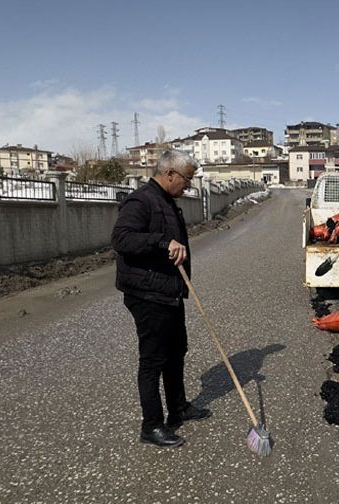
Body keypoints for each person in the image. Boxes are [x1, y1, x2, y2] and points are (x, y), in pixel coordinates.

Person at [112, 150, 211, 448]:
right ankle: (151, 425)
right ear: (170, 174)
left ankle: (178, 408)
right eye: (187, 180)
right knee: (153, 360)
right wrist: (161, 241)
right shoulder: (141, 201)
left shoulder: (166, 201)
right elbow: (121, 238)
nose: (189, 186)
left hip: (168, 291)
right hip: (147, 294)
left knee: (177, 350)